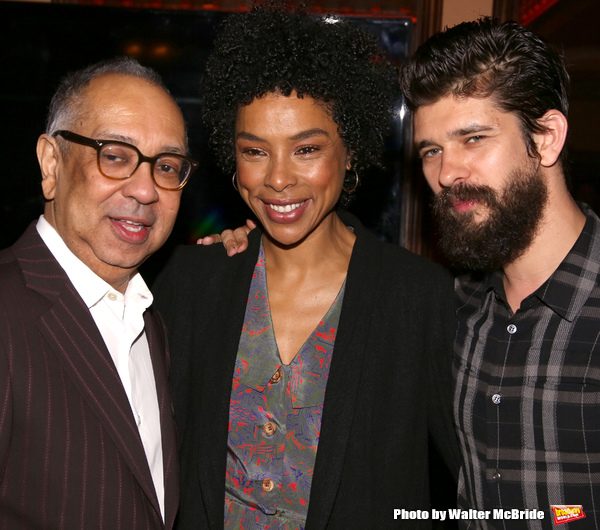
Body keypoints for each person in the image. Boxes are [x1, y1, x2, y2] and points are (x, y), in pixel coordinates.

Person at [153, 4, 460, 529]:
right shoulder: (193, 282)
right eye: (255, 151)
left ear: (350, 150)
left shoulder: (419, 299)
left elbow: (476, 481)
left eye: (307, 149)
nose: (276, 179)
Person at [400, 17, 600, 528]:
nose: (446, 174)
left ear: (547, 138)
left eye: (472, 138)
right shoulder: (458, 310)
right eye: (431, 151)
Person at [0, 57, 198, 528]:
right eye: (115, 155)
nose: (146, 189)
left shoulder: (147, 319)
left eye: (167, 166)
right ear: (52, 163)